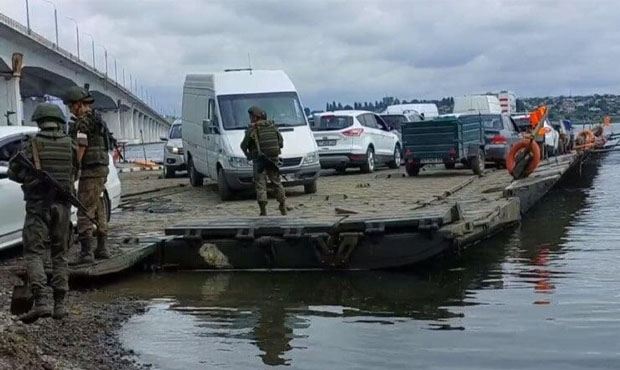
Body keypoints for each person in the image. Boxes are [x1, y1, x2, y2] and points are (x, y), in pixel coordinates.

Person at [8, 103, 79, 323]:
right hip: (63, 207)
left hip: (38, 207)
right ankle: (60, 305)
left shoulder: (32, 145)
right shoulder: (71, 146)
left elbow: (13, 173)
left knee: (33, 253)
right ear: (59, 122)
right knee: (60, 255)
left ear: (40, 122)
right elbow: (74, 174)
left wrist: (31, 178)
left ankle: (41, 303)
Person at [63, 86, 113, 263]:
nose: (70, 110)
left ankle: (86, 252)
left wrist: (75, 167)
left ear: (78, 105)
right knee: (98, 206)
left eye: (71, 106)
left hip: (90, 171)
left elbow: (81, 145)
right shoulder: (98, 120)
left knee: (84, 210)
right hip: (101, 169)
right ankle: (102, 248)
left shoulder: (83, 121)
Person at [240, 106, 287, 216]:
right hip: (273, 160)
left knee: (261, 185)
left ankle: (263, 211)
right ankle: (283, 206)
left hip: (259, 161)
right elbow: (281, 143)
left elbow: (243, 146)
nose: (250, 119)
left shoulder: (252, 129)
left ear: (256, 117)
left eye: (251, 116)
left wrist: (249, 155)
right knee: (277, 183)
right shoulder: (273, 127)